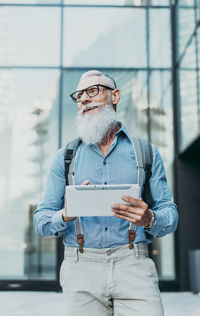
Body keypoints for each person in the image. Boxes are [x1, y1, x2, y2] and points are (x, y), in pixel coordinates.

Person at [34, 70, 178, 316]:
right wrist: (66, 214)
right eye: (79, 95)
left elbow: (170, 214)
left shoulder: (146, 152)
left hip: (134, 263)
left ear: (116, 96)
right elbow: (41, 221)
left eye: (93, 91)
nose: (84, 99)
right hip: (81, 268)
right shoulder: (66, 157)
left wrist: (150, 219)